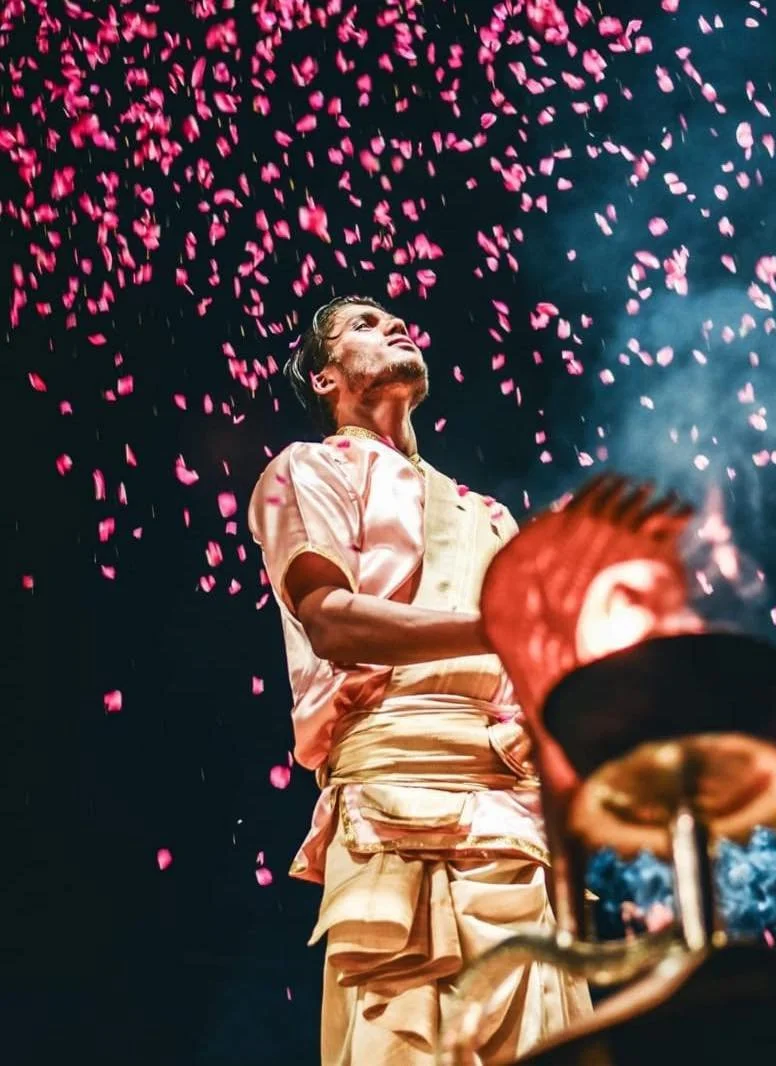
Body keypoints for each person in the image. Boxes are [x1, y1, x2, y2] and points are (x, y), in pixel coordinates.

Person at [247, 295, 592, 1065]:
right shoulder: (303, 471)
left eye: (392, 318)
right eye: (362, 325)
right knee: (400, 1035)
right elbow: (332, 622)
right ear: (325, 376)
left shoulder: (490, 515)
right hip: (392, 800)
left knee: (536, 1038)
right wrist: (493, 628)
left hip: (508, 816)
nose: (392, 324)